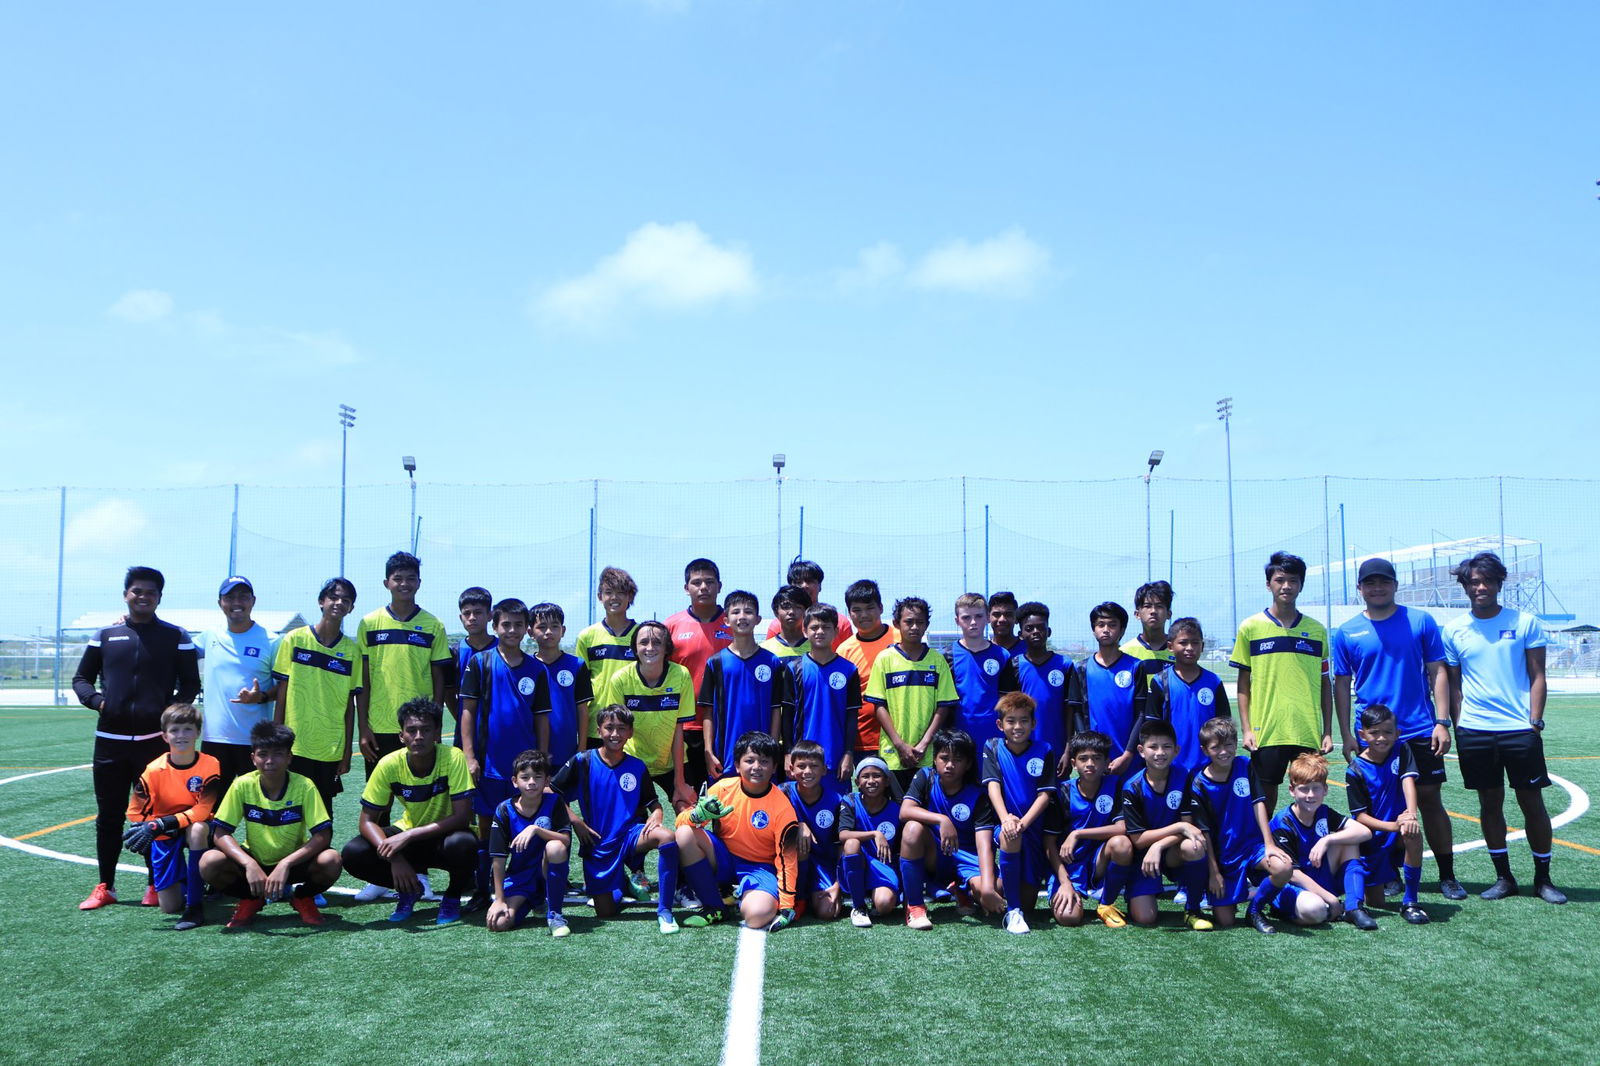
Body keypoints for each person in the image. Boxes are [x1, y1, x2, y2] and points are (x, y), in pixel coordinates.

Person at [1332, 556, 1462, 898]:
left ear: (1395, 585)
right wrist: (1348, 734)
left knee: (1430, 800)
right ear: (1359, 588)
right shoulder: (1346, 632)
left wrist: (1442, 722)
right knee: (1380, 807)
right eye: (1370, 583)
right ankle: (1389, 873)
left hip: (1418, 729)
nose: (1377, 588)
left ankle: (1447, 874)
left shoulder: (1420, 620)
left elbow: (1438, 671)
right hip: (1374, 734)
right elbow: (1342, 685)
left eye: (1384, 581)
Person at [74, 565, 201, 911]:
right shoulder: (104, 635)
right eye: (137, 591)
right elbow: (81, 679)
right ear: (126, 594)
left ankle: (154, 885)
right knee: (109, 815)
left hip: (153, 743)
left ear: (159, 597)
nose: (143, 596)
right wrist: (100, 703)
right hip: (109, 742)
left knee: (153, 815)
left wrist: (169, 713)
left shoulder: (175, 636)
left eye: (150, 592)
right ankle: (106, 885)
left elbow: (191, 683)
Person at [1442, 551, 1565, 904]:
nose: (1480, 587)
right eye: (1473, 582)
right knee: (1490, 803)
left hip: (1519, 729)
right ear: (1465, 587)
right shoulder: (1454, 630)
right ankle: (1504, 877)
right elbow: (1455, 685)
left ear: (1499, 583)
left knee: (1532, 802)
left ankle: (1543, 879)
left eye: (1486, 580)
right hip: (1475, 731)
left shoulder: (1525, 622)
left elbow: (1538, 675)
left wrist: (1534, 722)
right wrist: (1459, 724)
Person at [341, 698, 477, 926]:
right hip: (410, 838)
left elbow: (462, 817)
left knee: (464, 843)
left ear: (437, 733)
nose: (418, 736)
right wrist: (394, 858)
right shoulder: (388, 764)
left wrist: (409, 835)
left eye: (425, 730)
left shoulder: (453, 757)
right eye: (411, 730)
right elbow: (366, 821)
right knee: (354, 852)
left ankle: (452, 897)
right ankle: (409, 889)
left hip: (445, 837)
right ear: (401, 735)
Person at [549, 705, 681, 934]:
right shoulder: (583, 760)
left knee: (667, 837)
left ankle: (665, 911)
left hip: (630, 837)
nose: (615, 734)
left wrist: (658, 812)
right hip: (598, 843)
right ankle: (622, 885)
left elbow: (652, 801)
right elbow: (551, 792)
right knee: (605, 912)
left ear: (630, 732)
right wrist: (576, 822)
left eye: (621, 728)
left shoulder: (636, 766)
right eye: (609, 728)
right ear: (599, 731)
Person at [201, 721, 342, 929]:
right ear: (253, 758)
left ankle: (302, 898)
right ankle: (251, 898)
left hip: (293, 863)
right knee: (209, 861)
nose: (269, 761)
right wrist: (249, 864)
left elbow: (323, 836)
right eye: (263, 754)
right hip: (255, 860)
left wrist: (286, 864)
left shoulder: (305, 786)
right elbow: (220, 832)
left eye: (277, 754)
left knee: (332, 860)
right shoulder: (242, 785)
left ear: (289, 758)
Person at [459, 598, 550, 908]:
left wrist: (542, 760)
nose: (511, 630)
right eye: (505, 624)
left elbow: (541, 717)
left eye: (517, 625)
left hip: (525, 770)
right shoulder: (480, 662)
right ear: (495, 627)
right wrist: (470, 756)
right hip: (489, 764)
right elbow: (467, 711)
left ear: (526, 629)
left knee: (529, 826)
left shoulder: (536, 668)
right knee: (488, 828)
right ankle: (483, 890)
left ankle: (532, 886)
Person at [1230, 551, 1333, 812]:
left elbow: (1325, 684)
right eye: (1279, 580)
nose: (1286, 586)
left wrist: (1328, 731)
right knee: (1265, 797)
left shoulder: (1317, 630)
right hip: (1267, 731)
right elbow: (1244, 685)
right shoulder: (1250, 628)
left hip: (1306, 729)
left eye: (1293, 580)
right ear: (1269, 584)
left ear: (1301, 585)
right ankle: (1264, 846)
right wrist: (1247, 729)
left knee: (1310, 795)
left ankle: (1306, 848)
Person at [675, 731, 802, 931]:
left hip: (760, 868)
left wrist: (786, 905)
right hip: (724, 859)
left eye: (764, 761)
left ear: (774, 767)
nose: (756, 767)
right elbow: (680, 823)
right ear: (737, 765)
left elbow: (787, 858)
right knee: (685, 833)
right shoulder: (722, 789)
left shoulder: (782, 807)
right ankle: (714, 906)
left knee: (756, 917)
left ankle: (736, 897)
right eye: (749, 760)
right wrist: (697, 816)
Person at [1184, 717, 1292, 934]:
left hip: (1252, 847)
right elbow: (1204, 831)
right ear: (1205, 750)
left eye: (1228, 745)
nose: (1224, 751)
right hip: (1225, 856)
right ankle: (1225, 890)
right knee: (1225, 920)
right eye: (1216, 747)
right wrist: (1214, 872)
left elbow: (1258, 803)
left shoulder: (1245, 765)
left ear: (1235, 744)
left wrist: (1269, 844)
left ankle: (1255, 910)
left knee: (1283, 868)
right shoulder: (1198, 783)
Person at [121, 703, 222, 930]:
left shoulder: (210, 764)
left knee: (196, 830)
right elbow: (135, 812)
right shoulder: (153, 770)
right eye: (175, 730)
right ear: (165, 736)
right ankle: (190, 881)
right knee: (168, 907)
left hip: (196, 825)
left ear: (197, 733)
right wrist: (148, 826)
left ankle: (195, 908)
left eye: (187, 729)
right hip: (163, 831)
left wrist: (163, 822)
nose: (181, 735)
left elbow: (202, 810)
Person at [354, 551, 452, 781]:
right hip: (379, 727)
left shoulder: (433, 625)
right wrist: (363, 727)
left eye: (410, 578)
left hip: (421, 727)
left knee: (425, 796)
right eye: (398, 578)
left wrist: (435, 724)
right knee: (380, 802)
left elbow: (439, 678)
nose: (404, 584)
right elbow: (363, 680)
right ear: (386, 583)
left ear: (419, 583)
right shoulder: (369, 623)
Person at [271, 577, 361, 826]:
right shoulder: (294, 639)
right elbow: (282, 692)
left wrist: (345, 754)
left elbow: (349, 707)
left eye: (346, 599)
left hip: (329, 747)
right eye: (333, 597)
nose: (339, 602)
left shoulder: (351, 651)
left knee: (323, 814)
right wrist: (277, 738)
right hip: (295, 742)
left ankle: (320, 862)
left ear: (351, 608)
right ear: (321, 602)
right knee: (289, 809)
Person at [1115, 719, 1213, 930]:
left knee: (1194, 845)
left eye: (1166, 746)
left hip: (1172, 851)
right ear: (1141, 751)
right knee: (1145, 918)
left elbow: (1190, 828)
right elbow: (1138, 840)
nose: (1160, 752)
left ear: (1176, 750)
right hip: (1143, 858)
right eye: (1153, 747)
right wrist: (1177, 827)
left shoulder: (1185, 777)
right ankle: (1142, 889)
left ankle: (1193, 909)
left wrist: (1159, 845)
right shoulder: (1131, 787)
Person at [977, 692, 1056, 935]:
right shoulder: (992, 746)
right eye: (1011, 721)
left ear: (1034, 723)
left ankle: (1011, 895)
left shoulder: (1045, 749)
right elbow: (993, 786)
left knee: (1029, 899)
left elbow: (1045, 795)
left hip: (1032, 829)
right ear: (1001, 725)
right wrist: (1006, 819)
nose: (1018, 726)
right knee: (1010, 836)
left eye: (1024, 720)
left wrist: (1022, 822)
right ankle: (1013, 912)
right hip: (1006, 826)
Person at [1344, 705, 1431, 926]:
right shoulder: (1355, 770)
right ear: (1362, 734)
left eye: (1388, 732)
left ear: (1397, 733)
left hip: (1399, 830)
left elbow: (1408, 781)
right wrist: (1392, 826)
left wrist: (1410, 815)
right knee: (1377, 904)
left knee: (1413, 832)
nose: (1381, 738)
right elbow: (1360, 817)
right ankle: (1388, 874)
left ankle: (1411, 901)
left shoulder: (1401, 749)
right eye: (1374, 733)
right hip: (1374, 840)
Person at [1266, 753, 1374, 928]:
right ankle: (1287, 911)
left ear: (1325, 790)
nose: (1310, 795)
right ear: (1292, 790)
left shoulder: (1323, 811)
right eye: (1304, 788)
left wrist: (1327, 840)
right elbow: (1292, 874)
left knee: (1349, 840)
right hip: (1290, 884)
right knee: (1315, 911)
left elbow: (1364, 832)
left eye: (1316, 788)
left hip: (1316, 873)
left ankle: (1354, 908)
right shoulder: (1282, 823)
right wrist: (1330, 898)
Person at [598, 620, 696, 812]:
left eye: (657, 642)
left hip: (670, 762)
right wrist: (617, 769)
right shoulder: (621, 679)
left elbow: (678, 731)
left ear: (667, 647)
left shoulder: (681, 675)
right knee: (630, 820)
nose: (650, 648)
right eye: (644, 642)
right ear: (634, 647)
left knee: (689, 816)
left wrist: (680, 782)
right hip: (633, 760)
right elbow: (616, 732)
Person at [866, 596, 958, 790]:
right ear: (896, 624)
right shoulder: (884, 659)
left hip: (927, 753)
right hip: (893, 753)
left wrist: (924, 744)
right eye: (909, 622)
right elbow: (878, 705)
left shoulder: (937, 660)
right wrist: (900, 745)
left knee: (923, 808)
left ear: (927, 625)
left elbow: (944, 706)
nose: (914, 627)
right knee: (896, 812)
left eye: (920, 622)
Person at [698, 591, 793, 781]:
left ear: (758, 619)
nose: (742, 617)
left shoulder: (772, 661)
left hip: (763, 758)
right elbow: (707, 712)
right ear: (726, 620)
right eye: (736, 612)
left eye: (748, 612)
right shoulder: (715, 662)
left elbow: (776, 709)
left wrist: (772, 748)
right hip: (725, 755)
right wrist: (708, 751)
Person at [899, 728, 987, 929]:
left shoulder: (978, 792)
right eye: (944, 758)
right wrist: (941, 820)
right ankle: (915, 906)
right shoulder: (925, 777)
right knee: (912, 829)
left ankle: (960, 888)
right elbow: (905, 811)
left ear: (968, 764)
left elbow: (984, 840)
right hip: (936, 856)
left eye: (957, 759)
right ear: (935, 759)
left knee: (992, 891)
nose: (949, 765)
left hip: (967, 858)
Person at [198, 576, 278, 794]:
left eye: (243, 597)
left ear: (253, 601)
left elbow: (284, 687)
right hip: (214, 739)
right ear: (220, 602)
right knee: (211, 811)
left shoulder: (271, 641)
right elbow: (173, 644)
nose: (236, 602)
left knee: (258, 811)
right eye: (229, 597)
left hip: (254, 742)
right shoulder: (209, 636)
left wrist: (260, 697)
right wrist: (128, 620)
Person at [1047, 730, 1131, 929]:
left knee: (1122, 844)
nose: (1090, 764)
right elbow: (1049, 844)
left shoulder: (1116, 785)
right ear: (1074, 763)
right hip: (1070, 865)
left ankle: (1106, 902)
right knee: (1069, 917)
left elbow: (1123, 828)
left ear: (1106, 762)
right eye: (1083, 759)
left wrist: (1077, 833)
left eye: (1096, 758)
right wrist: (1065, 883)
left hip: (1099, 860)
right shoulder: (1062, 792)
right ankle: (1072, 889)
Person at [485, 749, 572, 936]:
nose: (531, 782)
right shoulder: (504, 810)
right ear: (515, 782)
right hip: (520, 878)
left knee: (555, 847)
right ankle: (534, 901)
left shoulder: (555, 802)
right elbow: (498, 859)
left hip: (545, 872)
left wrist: (536, 829)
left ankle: (555, 914)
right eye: (525, 777)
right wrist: (499, 899)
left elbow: (565, 839)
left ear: (547, 781)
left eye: (537, 777)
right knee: (499, 923)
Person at [1134, 617, 1229, 784]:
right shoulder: (1160, 681)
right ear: (1170, 646)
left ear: (1202, 646)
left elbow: (1224, 725)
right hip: (1170, 767)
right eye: (1183, 643)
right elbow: (1151, 728)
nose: (1190, 648)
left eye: (1195, 643)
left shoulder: (1213, 682)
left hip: (1207, 768)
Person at [666, 558, 732, 790]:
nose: (703, 587)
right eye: (696, 582)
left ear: (719, 586)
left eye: (709, 582)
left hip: (726, 723)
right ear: (687, 588)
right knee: (691, 793)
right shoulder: (672, 626)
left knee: (725, 792)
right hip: (685, 725)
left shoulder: (733, 623)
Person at [997, 601, 1078, 774]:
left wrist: (1067, 749)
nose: (1035, 632)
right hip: (1021, 747)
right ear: (1021, 634)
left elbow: (1070, 709)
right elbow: (1007, 712)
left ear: (1048, 631)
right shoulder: (1014, 665)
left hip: (1056, 748)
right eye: (1029, 628)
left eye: (1040, 627)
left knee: (1055, 797)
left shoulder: (1065, 665)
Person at [786, 603, 861, 781]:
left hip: (836, 759)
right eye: (814, 627)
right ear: (805, 631)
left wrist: (848, 753)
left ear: (836, 632)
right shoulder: (794, 668)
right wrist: (788, 753)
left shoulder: (849, 669)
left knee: (836, 807)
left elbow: (851, 716)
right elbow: (787, 715)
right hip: (802, 760)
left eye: (826, 627)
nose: (820, 631)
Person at [837, 579, 901, 767]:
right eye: (856, 610)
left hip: (901, 738)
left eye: (870, 608)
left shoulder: (900, 639)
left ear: (881, 608)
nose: (863, 615)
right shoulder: (844, 650)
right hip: (861, 742)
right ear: (849, 613)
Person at [1075, 602, 1142, 780]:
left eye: (1112, 625)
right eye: (1100, 625)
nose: (1106, 630)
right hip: (1095, 761)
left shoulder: (1136, 667)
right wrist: (1088, 751)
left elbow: (1141, 714)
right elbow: (1078, 714)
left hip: (1128, 759)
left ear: (1122, 630)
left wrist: (1128, 754)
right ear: (1093, 629)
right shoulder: (1082, 668)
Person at [780, 739, 845, 920]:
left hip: (823, 865)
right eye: (801, 766)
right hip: (790, 862)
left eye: (814, 766)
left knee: (827, 911)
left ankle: (813, 892)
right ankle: (798, 898)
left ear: (824, 769)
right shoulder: (782, 792)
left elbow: (842, 846)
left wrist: (838, 885)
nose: (807, 771)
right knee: (794, 837)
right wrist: (798, 824)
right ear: (791, 769)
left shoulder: (837, 800)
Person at [574, 566, 639, 748]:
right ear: (600, 597)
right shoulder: (587, 636)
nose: (614, 598)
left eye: (621, 592)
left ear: (630, 597)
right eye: (608, 592)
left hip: (632, 723)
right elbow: (582, 687)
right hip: (597, 723)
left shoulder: (641, 636)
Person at [838, 757, 904, 927]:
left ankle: (876, 896)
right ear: (857, 781)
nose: (871, 781)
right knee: (851, 844)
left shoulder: (897, 809)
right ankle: (858, 906)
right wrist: (874, 834)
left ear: (887, 781)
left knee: (884, 905)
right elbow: (843, 834)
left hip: (883, 866)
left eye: (877, 776)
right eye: (865, 776)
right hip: (859, 861)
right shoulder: (851, 801)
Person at [529, 601, 592, 771]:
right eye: (542, 627)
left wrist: (581, 749)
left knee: (563, 797)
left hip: (567, 750)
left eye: (554, 626)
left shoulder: (577, 665)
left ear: (563, 631)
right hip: (531, 751)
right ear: (530, 632)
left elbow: (582, 710)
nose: (548, 632)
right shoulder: (526, 667)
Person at [946, 592, 1008, 752]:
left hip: (993, 733)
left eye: (979, 616)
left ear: (988, 618)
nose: (973, 622)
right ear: (957, 621)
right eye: (966, 617)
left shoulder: (1002, 655)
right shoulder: (946, 656)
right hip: (958, 733)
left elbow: (1007, 700)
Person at [765, 559, 853, 647]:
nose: (804, 586)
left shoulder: (840, 622)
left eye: (809, 581)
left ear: (820, 586)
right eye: (798, 582)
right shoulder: (777, 626)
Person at [453, 586, 496, 745]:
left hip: (497, 729)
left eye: (478, 613)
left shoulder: (502, 649)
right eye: (467, 613)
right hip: (466, 732)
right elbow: (449, 692)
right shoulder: (455, 652)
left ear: (490, 615)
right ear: (460, 617)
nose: (472, 618)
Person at [1121, 580, 1176, 663]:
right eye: (1147, 606)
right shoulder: (1124, 652)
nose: (1153, 611)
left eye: (1159, 606)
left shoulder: (1179, 650)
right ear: (1137, 614)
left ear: (1169, 614)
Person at [760, 584, 813, 659]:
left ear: (806, 612)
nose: (791, 612)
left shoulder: (816, 648)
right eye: (786, 607)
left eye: (798, 607)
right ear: (776, 612)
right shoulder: (764, 649)